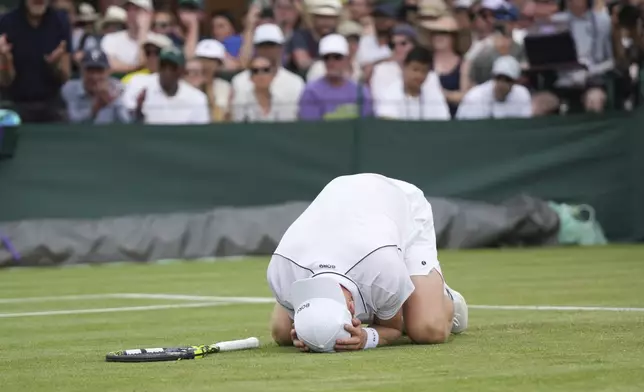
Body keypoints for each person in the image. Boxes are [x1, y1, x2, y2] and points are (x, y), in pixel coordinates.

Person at [267, 173, 468, 352]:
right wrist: (307, 330)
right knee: (283, 333)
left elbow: (392, 327)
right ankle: (412, 297)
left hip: (401, 203)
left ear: (353, 308)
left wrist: (367, 338)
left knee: (426, 329)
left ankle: (445, 296)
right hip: (344, 199)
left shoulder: (382, 269)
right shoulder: (280, 272)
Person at [298, 34, 373, 120]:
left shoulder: (361, 91)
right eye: (326, 58)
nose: (331, 62)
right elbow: (310, 128)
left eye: (337, 57)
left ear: (347, 59)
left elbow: (367, 126)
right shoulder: (311, 91)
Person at [375, 46, 450, 120]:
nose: (419, 75)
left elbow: (444, 124)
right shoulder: (391, 94)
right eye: (415, 69)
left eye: (424, 71)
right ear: (404, 67)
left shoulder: (434, 94)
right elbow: (387, 126)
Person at [456, 55, 532, 119]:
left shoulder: (522, 95)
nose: (502, 84)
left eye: (508, 80)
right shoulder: (475, 97)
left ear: (515, 82)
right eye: (498, 78)